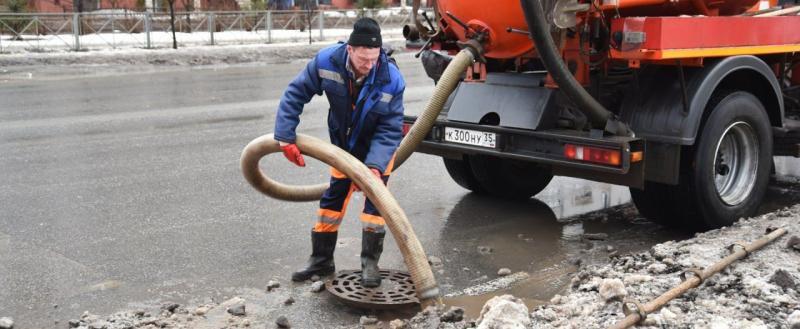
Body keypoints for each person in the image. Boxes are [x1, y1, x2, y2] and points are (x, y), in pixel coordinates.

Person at [273, 17, 405, 288]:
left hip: (378, 151)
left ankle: (370, 263)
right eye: (363, 59)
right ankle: (321, 262)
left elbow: (391, 128)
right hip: (343, 150)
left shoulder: (391, 79)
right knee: (332, 203)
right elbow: (296, 93)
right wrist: (285, 136)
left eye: (374, 59)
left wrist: (374, 167)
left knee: (375, 207)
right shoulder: (326, 62)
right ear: (350, 50)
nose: (369, 66)